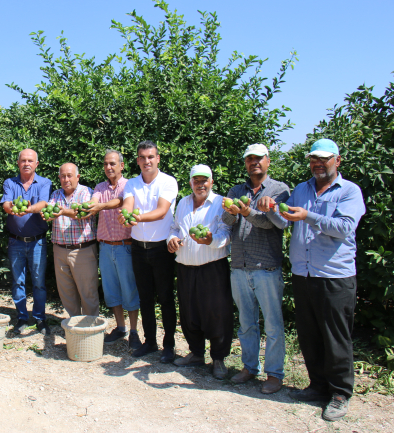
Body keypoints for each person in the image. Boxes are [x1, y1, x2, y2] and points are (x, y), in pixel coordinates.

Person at [258, 139, 365, 422]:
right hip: (303, 274)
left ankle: (340, 393)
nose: (318, 163)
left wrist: (310, 216)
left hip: (334, 276)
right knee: (310, 334)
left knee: (336, 337)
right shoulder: (302, 189)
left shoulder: (349, 191)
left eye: (324, 159)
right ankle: (317, 386)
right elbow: (286, 219)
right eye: (314, 159)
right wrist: (273, 209)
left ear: (337, 161)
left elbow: (344, 227)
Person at [221, 144, 290, 393]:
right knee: (247, 323)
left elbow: (276, 224)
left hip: (266, 267)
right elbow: (228, 222)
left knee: (272, 325)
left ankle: (274, 374)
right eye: (249, 159)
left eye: (258, 159)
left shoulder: (279, 190)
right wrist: (231, 212)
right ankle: (250, 367)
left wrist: (248, 211)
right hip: (239, 266)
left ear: (268, 161)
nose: (254, 163)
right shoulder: (236, 190)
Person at [168, 164, 233, 379]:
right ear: (190, 183)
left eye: (204, 180)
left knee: (217, 314)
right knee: (189, 313)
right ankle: (196, 353)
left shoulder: (221, 203)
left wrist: (210, 240)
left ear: (212, 182)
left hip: (212, 268)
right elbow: (175, 228)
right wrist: (172, 240)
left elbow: (226, 235)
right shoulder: (184, 203)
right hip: (186, 267)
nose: (200, 184)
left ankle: (219, 359)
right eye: (196, 180)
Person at [119, 140, 178, 363]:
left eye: (151, 157)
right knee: (145, 298)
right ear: (137, 160)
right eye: (142, 157)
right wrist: (125, 215)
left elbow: (162, 212)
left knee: (165, 298)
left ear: (158, 159)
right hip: (138, 248)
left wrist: (136, 217)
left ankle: (169, 345)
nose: (147, 161)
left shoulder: (168, 182)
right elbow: (127, 205)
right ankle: (150, 342)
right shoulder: (132, 184)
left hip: (161, 248)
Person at [86, 150, 141, 350]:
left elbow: (119, 202)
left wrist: (98, 207)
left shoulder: (130, 185)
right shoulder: (99, 187)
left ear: (122, 165)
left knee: (129, 290)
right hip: (105, 247)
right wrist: (89, 206)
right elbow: (93, 202)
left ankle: (134, 331)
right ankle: (121, 327)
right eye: (106, 164)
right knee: (111, 291)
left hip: (125, 247)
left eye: (112, 163)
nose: (109, 167)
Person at [0, 149, 53, 335]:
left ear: (36, 164)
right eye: (23, 160)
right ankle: (22, 317)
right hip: (16, 242)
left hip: (37, 242)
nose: (26, 163)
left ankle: (40, 318)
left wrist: (29, 209)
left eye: (30, 160)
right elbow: (6, 204)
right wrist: (12, 209)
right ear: (18, 163)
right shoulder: (10, 183)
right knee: (17, 282)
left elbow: (44, 204)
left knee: (38, 282)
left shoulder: (45, 182)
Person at [46, 163, 99, 318]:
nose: (66, 179)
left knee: (88, 292)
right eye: (62, 176)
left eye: (69, 175)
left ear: (77, 177)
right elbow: (49, 213)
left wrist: (62, 211)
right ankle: (74, 326)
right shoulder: (56, 195)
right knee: (66, 293)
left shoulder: (87, 192)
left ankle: (90, 329)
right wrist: (47, 214)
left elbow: (82, 213)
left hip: (82, 250)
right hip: (60, 250)